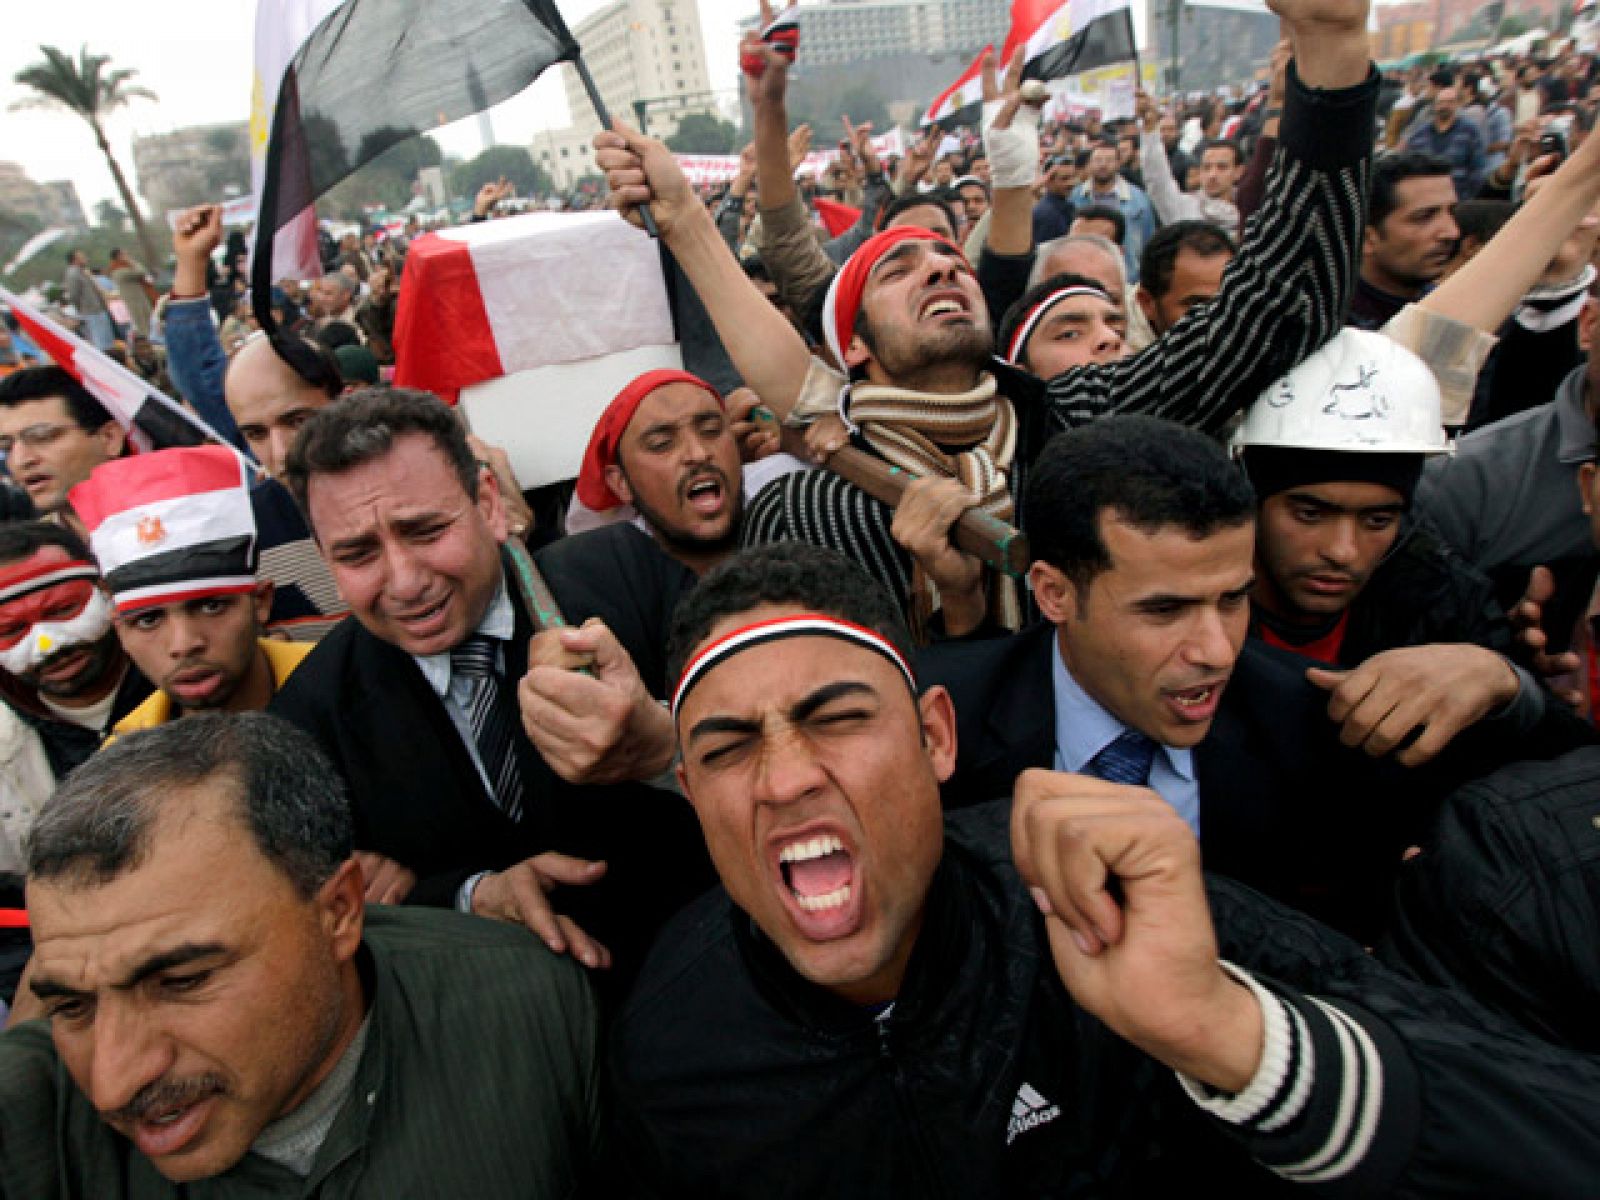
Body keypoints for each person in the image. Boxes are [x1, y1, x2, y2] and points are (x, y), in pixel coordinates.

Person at [608, 541, 1600, 1196]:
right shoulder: (670, 1029)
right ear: (690, 791)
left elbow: (1554, 1131)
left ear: (934, 738)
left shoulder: (1104, 907)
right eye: (730, 747)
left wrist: (1233, 1037)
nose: (783, 778)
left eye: (837, 718)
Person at [599, 9, 1379, 633]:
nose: (941, 268)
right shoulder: (809, 507)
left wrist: (1334, 53)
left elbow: (1276, 309)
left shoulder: (1081, 420)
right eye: (897, 271)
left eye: (951, 262)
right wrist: (955, 611)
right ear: (856, 347)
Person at [0, 713, 600, 1195]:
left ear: (338, 911)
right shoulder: (34, 1113)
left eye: (181, 980)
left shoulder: (535, 1009)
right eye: (73, 1007)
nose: (112, 1084)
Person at [271, 387, 710, 979]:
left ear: (488, 505)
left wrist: (664, 745)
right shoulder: (308, 714)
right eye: (357, 554)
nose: (403, 582)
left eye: (425, 531)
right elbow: (319, 919)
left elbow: (784, 743)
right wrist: (466, 896)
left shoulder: (629, 576)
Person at [68, 445, 313, 737]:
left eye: (211, 607)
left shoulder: (354, 688)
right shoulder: (124, 769)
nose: (183, 644)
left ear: (260, 601)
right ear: (120, 631)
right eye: (148, 620)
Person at [0, 521, 150, 779]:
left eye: (62, 610)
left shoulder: (187, 683)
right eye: (13, 630)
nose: (48, 645)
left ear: (105, 592)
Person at [0, 366, 127, 524]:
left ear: (110, 437)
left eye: (42, 437)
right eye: (6, 447)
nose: (21, 460)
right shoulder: (25, 547)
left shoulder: (165, 520)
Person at [1348, 152, 1459, 329]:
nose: (1452, 232)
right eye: (1424, 217)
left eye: (1452, 212)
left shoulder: (1452, 311)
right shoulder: (1330, 325)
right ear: (1368, 238)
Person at [1069, 140, 1157, 281]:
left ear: (1118, 163)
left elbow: (1149, 241)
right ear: (1089, 164)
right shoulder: (1075, 197)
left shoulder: (1138, 199)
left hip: (1128, 276)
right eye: (1098, 160)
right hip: (1085, 275)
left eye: (1109, 160)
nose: (1103, 165)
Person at [1404, 85, 1488, 200]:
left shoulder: (1469, 131)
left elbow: (1478, 168)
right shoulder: (1419, 135)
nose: (1444, 106)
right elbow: (1411, 168)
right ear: (1435, 105)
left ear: (1457, 104)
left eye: (1450, 102)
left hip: (1460, 197)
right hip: (1428, 198)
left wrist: (1469, 197)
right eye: (1441, 102)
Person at [63, 250, 115, 352]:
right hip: (90, 312)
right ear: (75, 260)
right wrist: (83, 309)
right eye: (82, 256)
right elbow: (74, 295)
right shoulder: (73, 274)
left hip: (98, 309)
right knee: (100, 341)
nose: (85, 258)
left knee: (107, 339)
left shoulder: (83, 271)